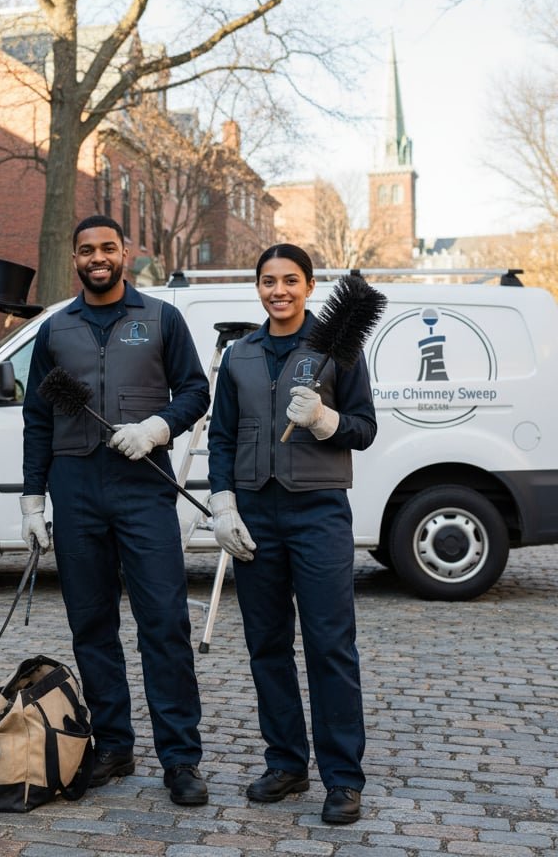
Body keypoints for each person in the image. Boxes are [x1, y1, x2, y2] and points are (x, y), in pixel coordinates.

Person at [21, 214, 210, 806]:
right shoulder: (56, 330)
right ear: (74, 259)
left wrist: (157, 428)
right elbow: (35, 417)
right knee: (92, 626)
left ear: (125, 253)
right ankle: (114, 745)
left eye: (107, 248)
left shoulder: (161, 319)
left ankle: (180, 757)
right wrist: (33, 498)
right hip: (75, 489)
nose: (97, 257)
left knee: (164, 624)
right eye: (86, 250)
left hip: (143, 486)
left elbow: (196, 391)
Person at [206, 243, 377, 825]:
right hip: (256, 515)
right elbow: (222, 436)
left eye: (290, 281)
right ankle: (285, 762)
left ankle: (343, 778)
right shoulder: (240, 356)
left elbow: (364, 429)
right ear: (258, 288)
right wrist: (223, 502)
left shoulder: (339, 351)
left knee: (330, 646)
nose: (278, 291)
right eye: (268, 281)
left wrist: (327, 421)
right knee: (268, 646)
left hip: (319, 513)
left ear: (308, 286)